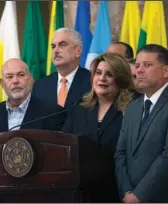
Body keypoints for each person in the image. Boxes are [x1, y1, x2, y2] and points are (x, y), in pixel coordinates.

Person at [61, 53, 135, 202]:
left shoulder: (133, 109)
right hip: (82, 192)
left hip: (119, 191)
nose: (102, 78)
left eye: (109, 74)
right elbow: (63, 144)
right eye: (98, 73)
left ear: (120, 79)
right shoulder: (79, 108)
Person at [115, 44, 168, 203]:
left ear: (166, 71)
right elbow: (120, 154)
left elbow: (167, 156)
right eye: (137, 65)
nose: (139, 70)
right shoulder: (132, 108)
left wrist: (140, 195)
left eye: (148, 65)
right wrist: (127, 192)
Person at [0, 58, 67, 136]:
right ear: (2, 83)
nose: (15, 81)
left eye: (21, 75)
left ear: (30, 79)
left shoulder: (52, 114)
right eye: (9, 77)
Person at [32, 28, 91, 112]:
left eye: (62, 44)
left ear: (78, 51)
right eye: (53, 46)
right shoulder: (39, 87)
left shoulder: (93, 81)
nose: (56, 50)